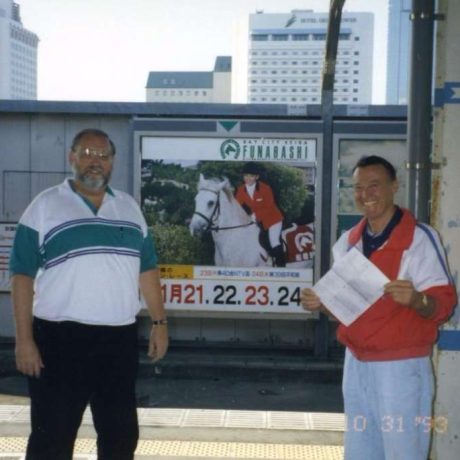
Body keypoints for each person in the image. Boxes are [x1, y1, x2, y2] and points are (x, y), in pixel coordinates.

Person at [9, 128, 169, 460]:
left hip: (118, 340)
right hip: (58, 340)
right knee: (52, 438)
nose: (95, 162)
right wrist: (24, 340)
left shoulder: (129, 208)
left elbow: (148, 269)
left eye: (103, 156)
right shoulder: (45, 206)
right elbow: (21, 276)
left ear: (112, 162)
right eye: (87, 154)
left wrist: (160, 322)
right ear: (72, 157)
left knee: (121, 436)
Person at [300, 155, 456, 460]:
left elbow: (445, 306)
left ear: (394, 186)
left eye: (374, 185)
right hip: (355, 364)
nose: (365, 195)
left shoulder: (420, 239)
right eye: (358, 187)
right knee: (359, 451)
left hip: (401, 368)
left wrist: (417, 299)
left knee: (404, 451)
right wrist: (323, 305)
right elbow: (345, 311)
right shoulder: (347, 242)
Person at [235, 162, 285, 266]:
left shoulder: (265, 188)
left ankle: (281, 266)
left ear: (257, 177)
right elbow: (239, 207)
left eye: (251, 176)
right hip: (253, 221)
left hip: (272, 220)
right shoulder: (240, 191)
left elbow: (269, 206)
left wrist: (255, 216)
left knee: (274, 241)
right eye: (246, 175)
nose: (248, 178)